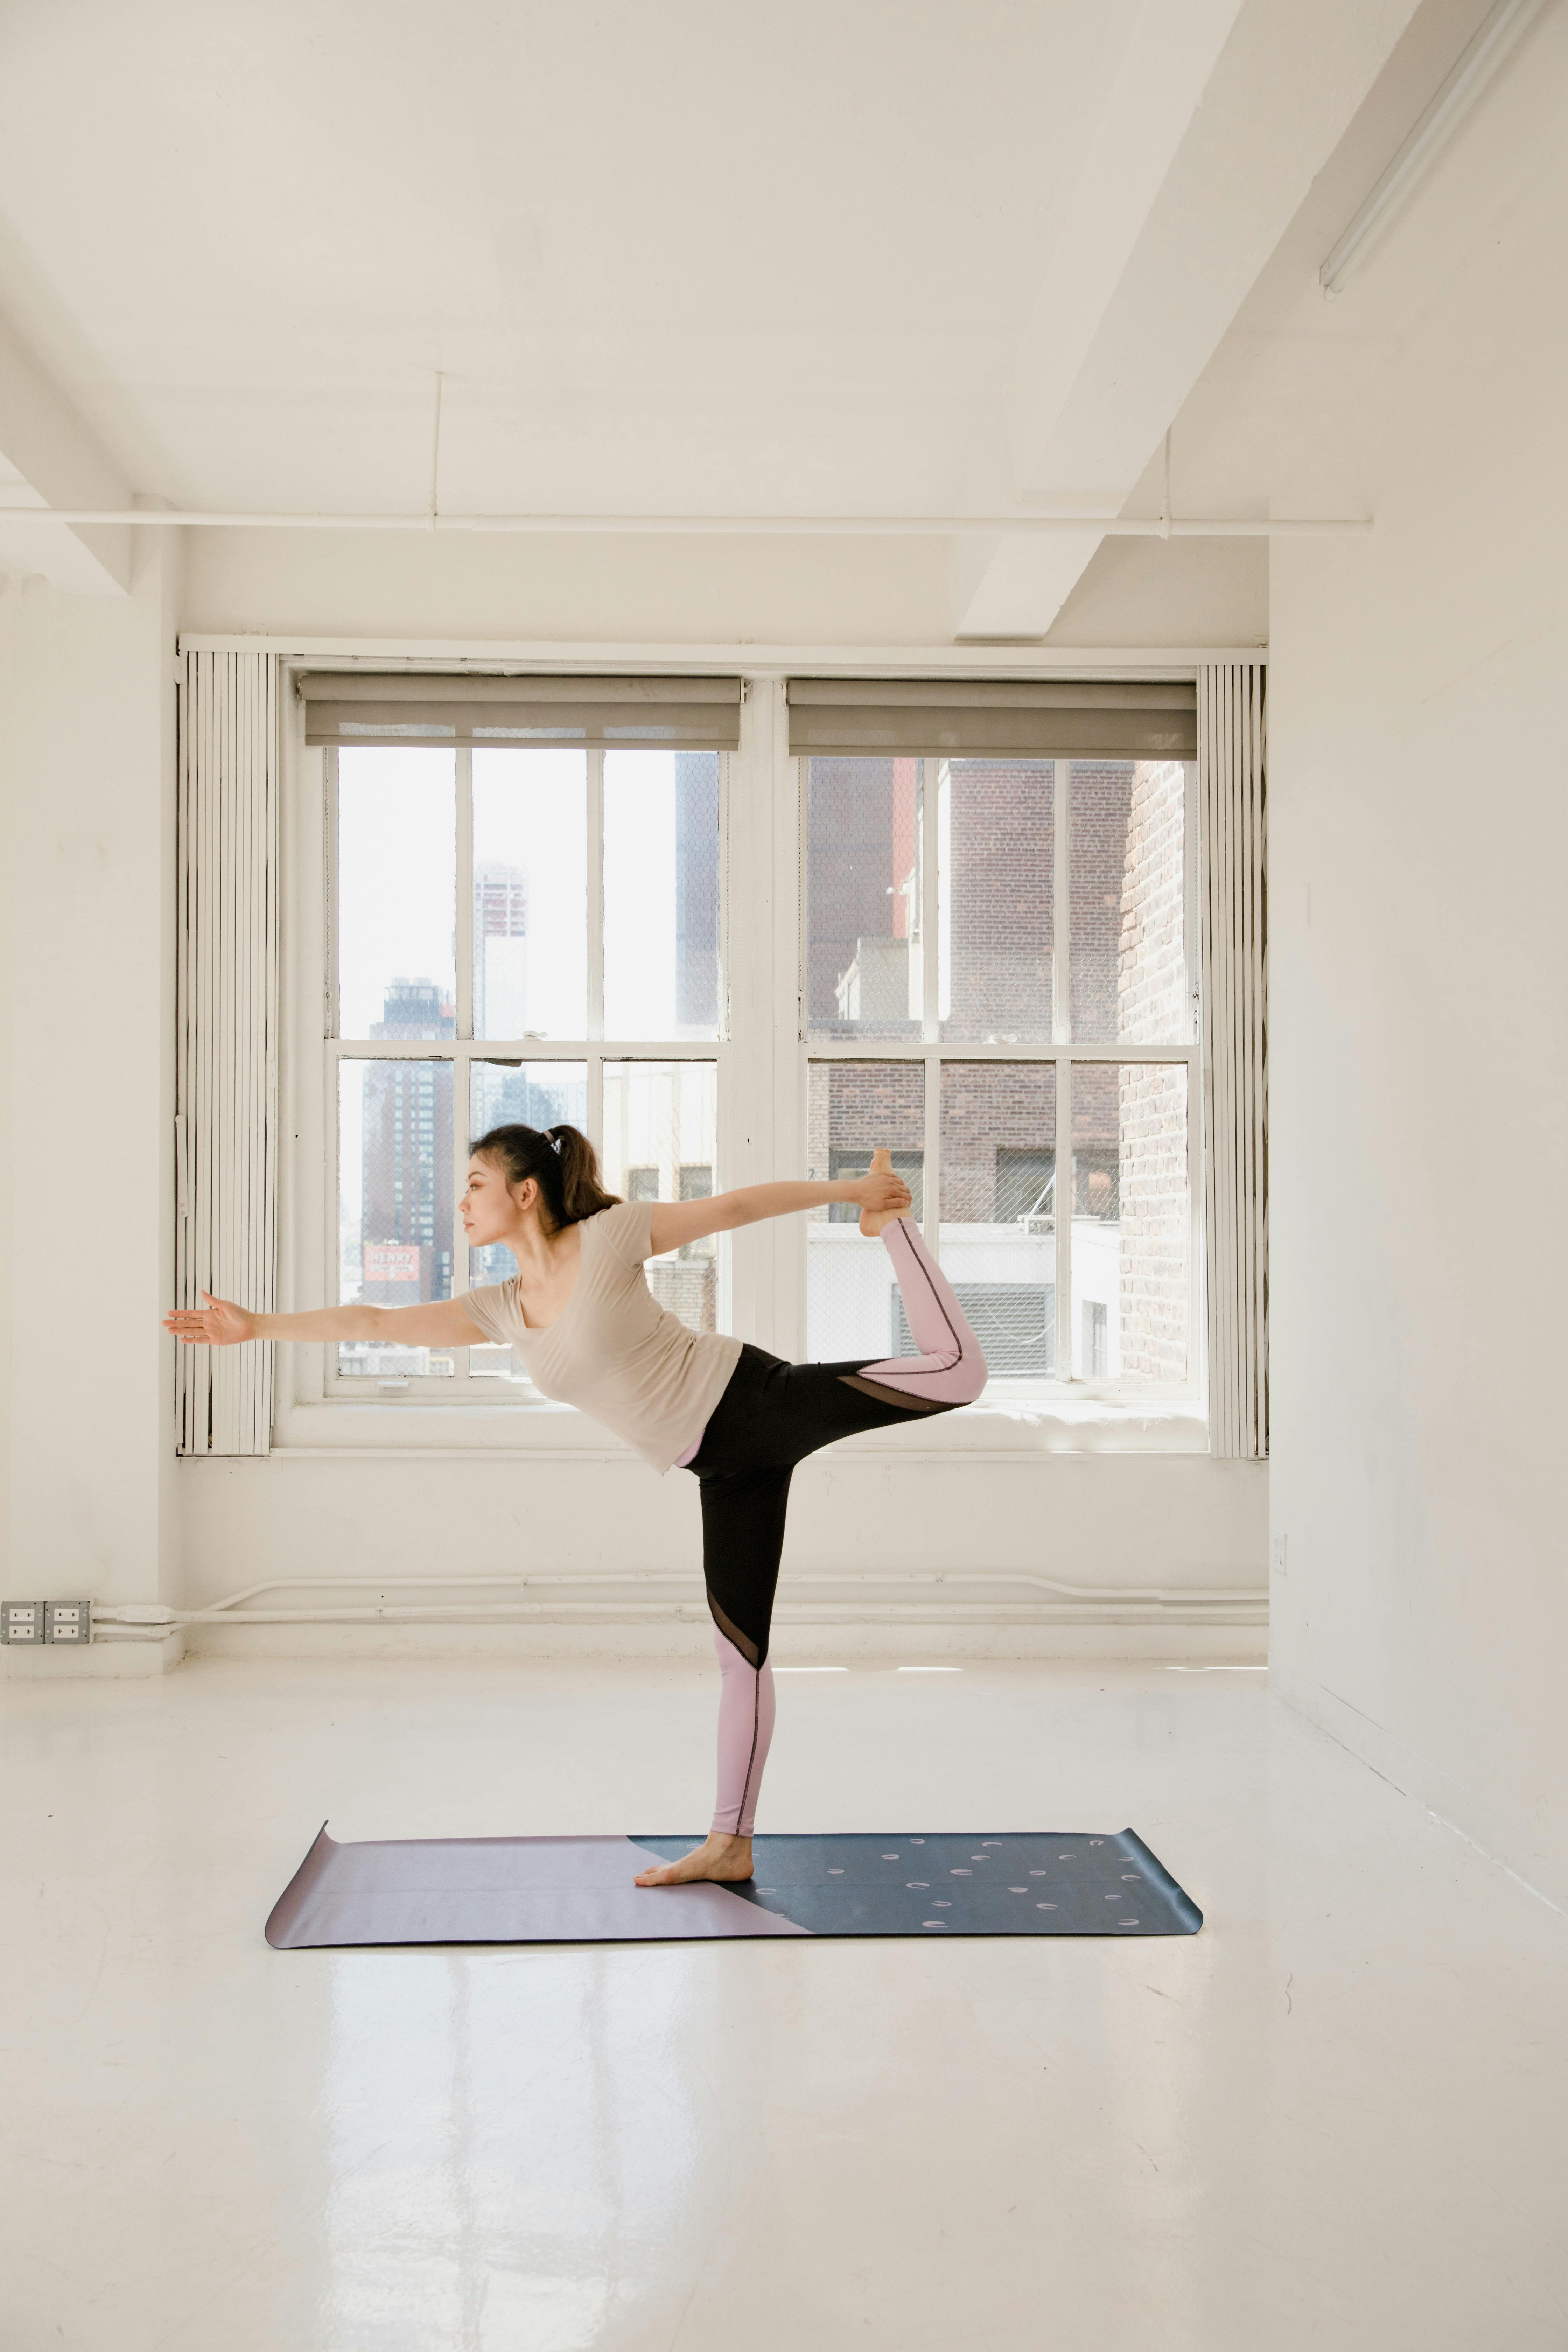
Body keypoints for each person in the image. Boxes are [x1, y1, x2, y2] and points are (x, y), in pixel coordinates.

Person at [164, 1128, 987, 1886]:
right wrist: (257, 1327)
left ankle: (896, 1236)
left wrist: (855, 1196)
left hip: (752, 1402)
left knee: (956, 1372)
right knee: (740, 1655)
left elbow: (733, 1208)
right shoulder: (500, 1308)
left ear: (526, 1192)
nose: (462, 1201)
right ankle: (728, 1845)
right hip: (719, 1467)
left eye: (476, 1183)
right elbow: (377, 1319)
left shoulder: (609, 1238)